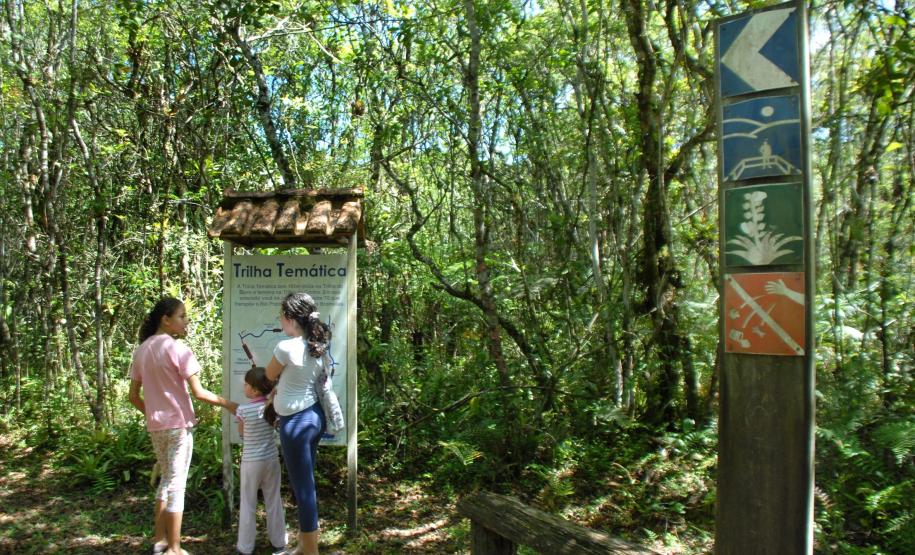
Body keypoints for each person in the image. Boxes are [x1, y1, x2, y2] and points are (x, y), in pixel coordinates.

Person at [128, 297, 238, 555]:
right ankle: (175, 549)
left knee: (166, 480)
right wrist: (230, 404)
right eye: (181, 316)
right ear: (166, 319)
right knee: (177, 484)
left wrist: (154, 413)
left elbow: (133, 396)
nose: (186, 321)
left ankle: (160, 540)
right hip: (178, 427)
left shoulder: (142, 350)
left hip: (157, 427)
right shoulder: (179, 350)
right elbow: (199, 393)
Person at [265, 292, 331, 555]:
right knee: (307, 483)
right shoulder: (318, 345)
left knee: (303, 489)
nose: (280, 321)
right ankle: (305, 545)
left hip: (295, 424)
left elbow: (268, 376)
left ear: (291, 318)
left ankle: (310, 551)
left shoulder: (285, 347)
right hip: (315, 417)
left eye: (281, 316)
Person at [234, 366, 288, 555]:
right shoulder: (272, 406)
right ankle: (279, 543)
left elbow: (241, 434)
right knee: (273, 499)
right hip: (271, 460)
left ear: (255, 389)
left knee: (248, 502)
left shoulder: (242, 410)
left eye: (247, 385)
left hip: (251, 462)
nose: (245, 387)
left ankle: (245, 547)